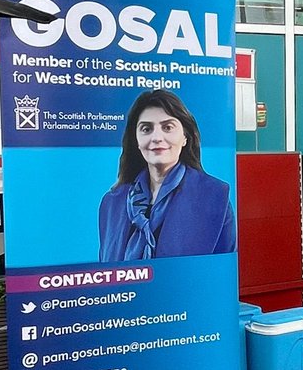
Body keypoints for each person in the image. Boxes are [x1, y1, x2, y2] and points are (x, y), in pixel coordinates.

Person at [98, 89, 235, 262]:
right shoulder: (112, 203)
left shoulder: (214, 197)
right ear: (136, 140)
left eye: (168, 127)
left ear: (185, 137)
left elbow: (223, 269)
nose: (156, 137)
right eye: (146, 129)